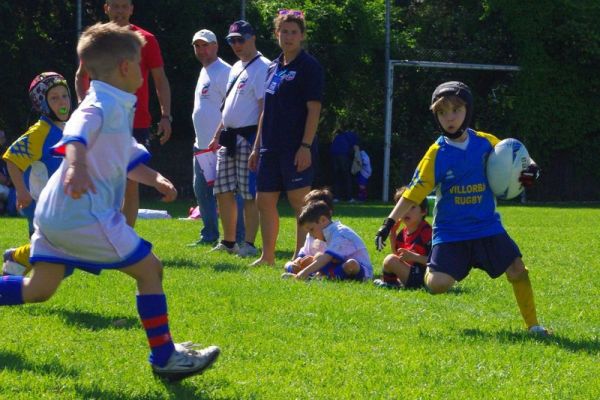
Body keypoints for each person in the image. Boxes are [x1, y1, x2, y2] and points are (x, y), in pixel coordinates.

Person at [0, 22, 220, 381]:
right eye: (141, 65)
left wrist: (154, 177)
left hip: (56, 214)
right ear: (125, 68)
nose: (143, 72)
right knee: (150, 270)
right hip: (83, 213)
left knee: (37, 288)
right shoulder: (100, 103)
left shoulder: (114, 102)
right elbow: (76, 131)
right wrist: (77, 164)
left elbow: (125, 154)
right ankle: (165, 357)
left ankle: (166, 354)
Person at [374, 81, 549, 335]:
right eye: (442, 112)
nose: (450, 118)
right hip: (451, 233)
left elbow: (517, 159)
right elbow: (413, 194)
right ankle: (433, 269)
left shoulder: (487, 143)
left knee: (517, 269)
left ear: (468, 110)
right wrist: (388, 223)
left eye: (456, 110)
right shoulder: (436, 154)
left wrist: (531, 171)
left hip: (486, 226)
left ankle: (534, 326)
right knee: (436, 285)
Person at [75, 0, 172, 228]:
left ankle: (125, 235)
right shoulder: (97, 40)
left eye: (124, 6)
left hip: (135, 121)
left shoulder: (145, 39)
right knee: (101, 178)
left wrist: (166, 115)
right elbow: (81, 76)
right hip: (101, 119)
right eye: (115, 6)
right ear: (106, 8)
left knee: (130, 179)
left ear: (131, 9)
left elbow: (160, 79)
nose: (119, 11)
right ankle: (98, 231)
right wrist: (83, 104)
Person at [249, 10, 324, 266]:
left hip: (296, 147)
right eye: (284, 31)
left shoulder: (309, 66)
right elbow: (265, 111)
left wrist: (305, 146)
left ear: (302, 36)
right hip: (269, 147)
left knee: (300, 203)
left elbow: (314, 109)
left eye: (294, 32)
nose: (289, 36)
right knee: (264, 200)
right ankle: (267, 256)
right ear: (276, 34)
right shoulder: (272, 66)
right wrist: (256, 147)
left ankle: (299, 256)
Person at [207, 20, 270, 257]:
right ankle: (229, 241)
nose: (236, 45)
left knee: (248, 193)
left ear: (252, 38)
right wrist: (216, 136)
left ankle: (250, 244)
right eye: (231, 40)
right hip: (229, 138)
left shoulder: (263, 66)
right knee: (222, 190)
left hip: (248, 136)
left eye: (240, 39)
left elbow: (265, 109)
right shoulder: (235, 67)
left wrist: (257, 145)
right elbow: (228, 107)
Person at [2, 72, 71, 239]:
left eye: (65, 95)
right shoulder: (39, 132)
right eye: (54, 98)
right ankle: (16, 259)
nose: (62, 101)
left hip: (63, 209)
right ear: (42, 104)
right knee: (50, 258)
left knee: (61, 261)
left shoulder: (69, 127)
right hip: (42, 210)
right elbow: (11, 158)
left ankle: (17, 260)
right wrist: (21, 191)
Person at [284, 200, 372, 281]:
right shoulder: (325, 233)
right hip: (338, 266)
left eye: (311, 229)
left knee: (351, 264)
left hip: (360, 271)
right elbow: (306, 256)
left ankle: (319, 279)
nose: (311, 234)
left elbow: (326, 258)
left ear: (323, 220)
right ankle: (317, 277)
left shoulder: (340, 233)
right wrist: (293, 264)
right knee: (316, 257)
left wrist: (302, 274)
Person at [374, 187, 432, 289]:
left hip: (425, 278)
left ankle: (392, 284)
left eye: (412, 207)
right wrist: (393, 234)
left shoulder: (427, 232)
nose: (406, 212)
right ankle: (393, 284)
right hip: (411, 274)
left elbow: (436, 261)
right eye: (404, 208)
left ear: (423, 211)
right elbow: (398, 256)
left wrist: (414, 257)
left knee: (390, 260)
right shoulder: (403, 233)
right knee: (390, 259)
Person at [283, 188, 333, 274]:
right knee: (288, 265)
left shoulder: (334, 233)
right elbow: (304, 252)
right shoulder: (311, 233)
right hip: (310, 265)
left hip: (326, 266)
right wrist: (297, 261)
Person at [330, 128, 359, 202]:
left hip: (333, 155)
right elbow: (356, 148)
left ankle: (336, 197)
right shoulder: (353, 135)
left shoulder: (338, 136)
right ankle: (349, 197)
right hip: (343, 156)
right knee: (347, 176)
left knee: (336, 177)